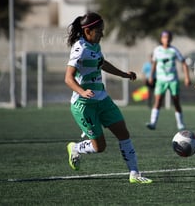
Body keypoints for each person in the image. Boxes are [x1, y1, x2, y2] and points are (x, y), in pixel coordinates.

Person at [64, 12, 152, 184]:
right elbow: (68, 78)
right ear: (88, 31)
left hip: (103, 100)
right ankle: (75, 147)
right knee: (100, 147)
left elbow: (102, 63)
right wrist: (82, 92)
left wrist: (123, 74)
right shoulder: (79, 48)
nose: (102, 34)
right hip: (84, 105)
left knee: (123, 134)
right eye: (99, 31)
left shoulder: (95, 46)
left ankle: (135, 174)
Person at [146, 30, 191, 131]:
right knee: (157, 101)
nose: (166, 39)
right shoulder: (157, 50)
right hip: (161, 80)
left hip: (173, 80)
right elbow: (154, 63)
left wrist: (187, 77)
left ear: (171, 39)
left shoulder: (174, 50)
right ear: (161, 39)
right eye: (164, 37)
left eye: (168, 37)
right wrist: (151, 76)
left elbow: (183, 62)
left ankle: (180, 124)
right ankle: (153, 123)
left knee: (176, 101)